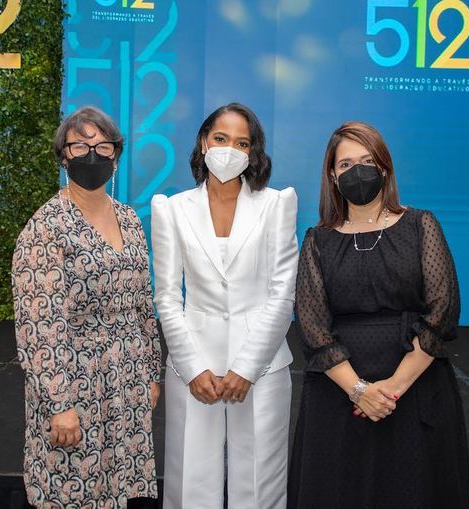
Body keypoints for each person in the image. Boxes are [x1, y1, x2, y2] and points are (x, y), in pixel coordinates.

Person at [287, 121, 469, 509]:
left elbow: (443, 311)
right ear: (332, 177)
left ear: (385, 168)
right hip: (338, 396)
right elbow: (313, 328)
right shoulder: (317, 240)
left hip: (415, 389)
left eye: (368, 161)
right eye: (346, 164)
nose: (358, 172)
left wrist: (391, 390)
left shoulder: (421, 225)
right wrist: (360, 391)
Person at [11, 106, 161, 508]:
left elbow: (142, 305)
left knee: (120, 491)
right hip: (75, 386)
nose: (92, 155)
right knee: (73, 490)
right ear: (63, 156)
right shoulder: (46, 227)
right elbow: (39, 324)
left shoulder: (129, 219)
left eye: (103, 146)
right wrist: (59, 405)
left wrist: (150, 374)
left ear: (117, 155)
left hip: (127, 383)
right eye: (80, 145)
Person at [151, 103, 298, 509]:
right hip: (192, 366)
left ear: (252, 153)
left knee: (261, 486)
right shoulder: (171, 208)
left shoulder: (277, 204)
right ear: (203, 142)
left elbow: (282, 292)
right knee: (190, 484)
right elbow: (166, 294)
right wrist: (193, 366)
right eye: (221, 138)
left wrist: (247, 368)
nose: (229, 148)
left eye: (242, 142)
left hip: (263, 367)